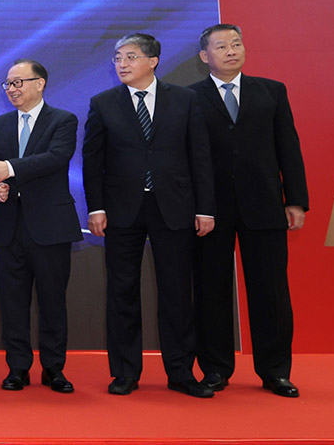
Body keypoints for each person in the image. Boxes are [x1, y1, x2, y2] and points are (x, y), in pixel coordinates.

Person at [83, 32, 215, 398]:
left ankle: (181, 373)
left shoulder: (184, 100)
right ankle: (125, 372)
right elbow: (93, 162)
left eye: (130, 57)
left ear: (153, 61)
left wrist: (205, 208)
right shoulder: (104, 103)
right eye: (117, 58)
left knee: (176, 292)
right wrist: (96, 207)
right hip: (122, 210)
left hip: (174, 208)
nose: (122, 64)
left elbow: (200, 157)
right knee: (122, 292)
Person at [190, 23, 307, 398]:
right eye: (221, 46)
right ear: (204, 56)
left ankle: (276, 371)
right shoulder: (189, 97)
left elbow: (288, 147)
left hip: (265, 205)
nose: (231, 51)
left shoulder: (271, 91)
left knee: (270, 292)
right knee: (211, 292)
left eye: (236, 44)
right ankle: (216, 370)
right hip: (209, 210)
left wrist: (296, 200)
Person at [0, 59, 82, 393]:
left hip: (50, 225)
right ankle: (17, 368)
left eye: (19, 82)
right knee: (12, 302)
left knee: (52, 301)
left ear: (40, 83)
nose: (12, 89)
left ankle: (54, 368)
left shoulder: (63, 120)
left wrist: (9, 169)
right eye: (8, 84)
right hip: (10, 225)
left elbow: (56, 157)